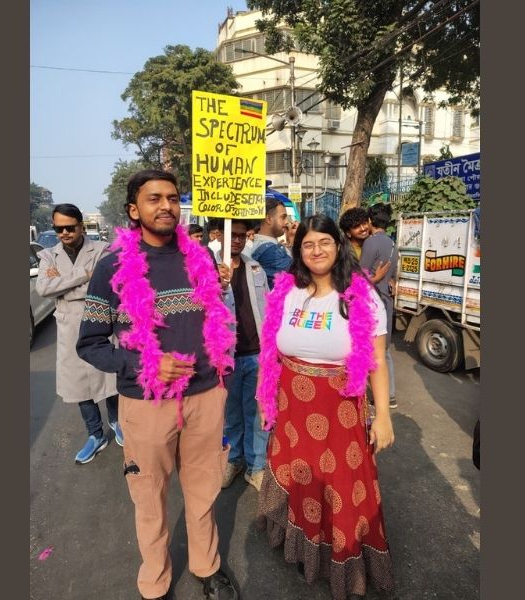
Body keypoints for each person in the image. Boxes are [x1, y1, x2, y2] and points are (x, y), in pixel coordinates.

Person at [76, 170, 239, 600]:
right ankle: (155, 581)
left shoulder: (199, 257)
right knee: (149, 498)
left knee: (203, 491)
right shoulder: (111, 266)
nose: (166, 206)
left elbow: (215, 318)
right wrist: (140, 362)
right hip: (147, 404)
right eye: (154, 199)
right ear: (134, 210)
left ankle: (207, 566)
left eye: (172, 198)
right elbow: (89, 344)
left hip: (205, 395)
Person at [254, 214, 396, 600]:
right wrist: (265, 399)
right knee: (300, 476)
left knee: (341, 486)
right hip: (292, 406)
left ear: (339, 246)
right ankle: (303, 548)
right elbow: (271, 352)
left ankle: (344, 561)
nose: (316, 251)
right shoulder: (287, 292)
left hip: (341, 409)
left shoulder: (361, 296)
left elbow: (377, 362)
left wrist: (382, 416)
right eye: (308, 244)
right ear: (299, 251)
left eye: (324, 243)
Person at [35, 203, 122, 464]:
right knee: (78, 387)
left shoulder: (102, 250)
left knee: (110, 379)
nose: (64, 233)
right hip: (68, 328)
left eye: (69, 227)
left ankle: (118, 423)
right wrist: (84, 275)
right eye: (58, 228)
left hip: (100, 322)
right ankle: (95, 435)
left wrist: (61, 285)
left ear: (81, 226)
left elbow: (106, 285)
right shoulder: (48, 255)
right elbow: (43, 289)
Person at [220, 219, 269, 491]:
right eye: (232, 235)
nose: (237, 240)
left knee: (258, 414)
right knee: (231, 414)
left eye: (242, 235)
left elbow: (269, 308)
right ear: (221, 235)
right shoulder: (207, 269)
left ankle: (257, 466)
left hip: (256, 354)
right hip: (225, 358)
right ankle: (234, 460)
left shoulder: (255, 267)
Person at [359, 203, 398, 410]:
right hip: (387, 300)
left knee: (369, 349)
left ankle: (372, 392)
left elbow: (360, 276)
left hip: (371, 301)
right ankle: (390, 394)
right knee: (385, 351)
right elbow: (393, 275)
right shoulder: (393, 244)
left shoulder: (370, 243)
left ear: (370, 221)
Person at [249, 196, 296, 289]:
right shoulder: (271, 250)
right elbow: (297, 274)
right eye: (283, 217)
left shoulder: (268, 245)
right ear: (269, 219)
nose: (287, 222)